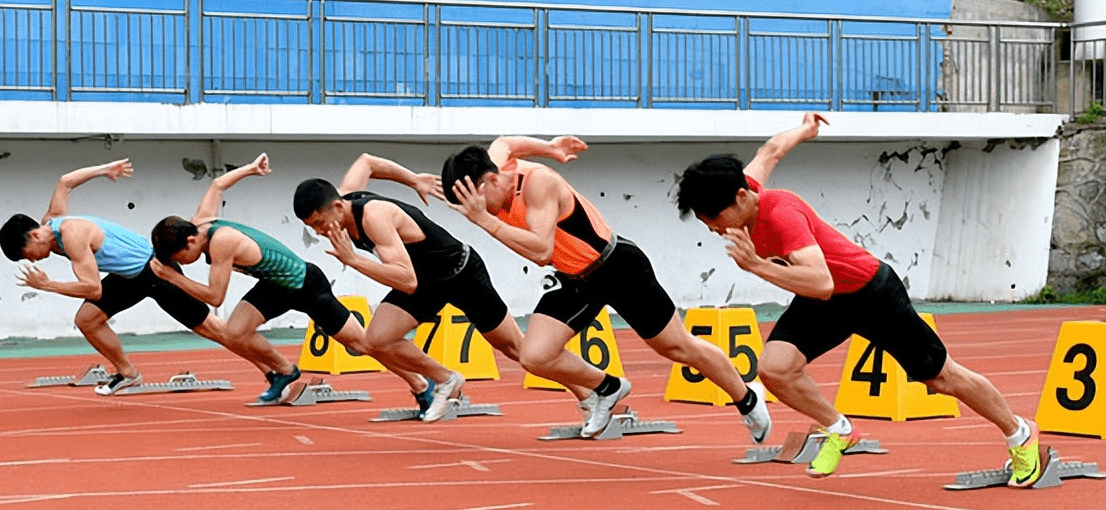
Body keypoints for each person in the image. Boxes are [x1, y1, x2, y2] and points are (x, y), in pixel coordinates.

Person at [674, 112, 1041, 484]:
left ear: (741, 197)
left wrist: (755, 265)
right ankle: (840, 428)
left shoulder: (781, 214)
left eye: (715, 218)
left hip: (872, 294)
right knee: (774, 370)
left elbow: (821, 282)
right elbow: (771, 150)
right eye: (706, 223)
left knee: (942, 378)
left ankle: (1020, 434)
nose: (715, 229)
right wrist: (807, 129)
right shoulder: (746, 187)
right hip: (825, 302)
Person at [442, 136, 771, 441]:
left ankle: (746, 396)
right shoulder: (494, 162)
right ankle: (608, 388)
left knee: (677, 347)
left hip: (617, 266)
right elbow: (506, 140)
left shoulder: (538, 185)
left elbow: (541, 251)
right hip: (576, 279)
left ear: (489, 181)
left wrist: (485, 221)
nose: (477, 211)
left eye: (475, 203)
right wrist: (552, 148)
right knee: (534, 356)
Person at [294, 153, 597, 422]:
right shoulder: (343, 198)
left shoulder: (374, 217)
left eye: (320, 223)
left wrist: (354, 261)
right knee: (376, 340)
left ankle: (589, 395)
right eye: (312, 227)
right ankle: (445, 379)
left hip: (461, 273)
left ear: (336, 206)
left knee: (517, 349)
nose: (319, 232)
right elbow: (366, 162)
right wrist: (414, 180)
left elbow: (405, 279)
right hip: (427, 283)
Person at [149, 153, 426, 406]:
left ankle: (420, 382)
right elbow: (218, 184)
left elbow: (214, 297)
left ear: (189, 242)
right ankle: (284, 370)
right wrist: (250, 169)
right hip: (275, 286)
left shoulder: (222, 242)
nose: (180, 264)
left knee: (361, 344)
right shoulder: (200, 221)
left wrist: (173, 277)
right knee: (233, 332)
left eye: (178, 259)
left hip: (305, 284)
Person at [0, 158, 262, 395]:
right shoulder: (51, 220)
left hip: (154, 270)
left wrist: (47, 285)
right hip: (127, 276)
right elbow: (65, 182)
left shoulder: (72, 236)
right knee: (87, 320)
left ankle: (270, 369)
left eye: (27, 254)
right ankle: (128, 373)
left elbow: (92, 289)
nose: (32, 260)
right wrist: (104, 170)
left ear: (33, 236)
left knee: (210, 328)